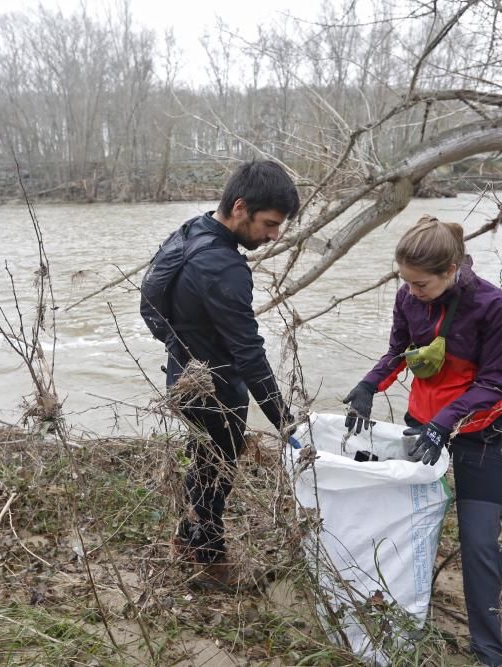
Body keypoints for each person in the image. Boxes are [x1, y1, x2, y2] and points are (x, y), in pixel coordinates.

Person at [343, 215, 502, 666]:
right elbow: (399, 351)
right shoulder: (409, 298)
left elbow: (495, 381)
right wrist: (369, 384)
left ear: (451, 269)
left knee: (479, 544)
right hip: (421, 428)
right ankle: (399, 622)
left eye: (420, 285)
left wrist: (446, 422)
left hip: (478, 434)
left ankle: (489, 653)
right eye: (406, 282)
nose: (411, 292)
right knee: (408, 533)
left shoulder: (493, 306)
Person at [150, 160, 299, 590]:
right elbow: (250, 355)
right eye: (269, 224)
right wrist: (285, 422)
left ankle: (185, 538)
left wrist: (180, 348)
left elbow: (151, 305)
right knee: (216, 471)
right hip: (214, 388)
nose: (273, 235)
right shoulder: (224, 268)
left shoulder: (189, 232)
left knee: (204, 461)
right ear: (239, 208)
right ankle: (211, 565)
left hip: (182, 377)